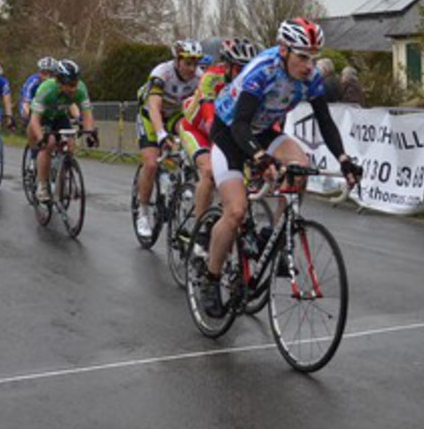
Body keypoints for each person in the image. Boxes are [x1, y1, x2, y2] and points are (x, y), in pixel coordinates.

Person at [198, 18, 361, 317]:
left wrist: (344, 159)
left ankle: (274, 236)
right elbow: (240, 125)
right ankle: (210, 278)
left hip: (262, 131)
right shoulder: (262, 71)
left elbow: (325, 122)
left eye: (313, 57)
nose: (309, 66)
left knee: (300, 167)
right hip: (230, 132)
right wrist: (260, 157)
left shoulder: (310, 78)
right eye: (303, 57)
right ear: (284, 50)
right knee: (235, 211)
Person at [179, 37, 260, 227]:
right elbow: (209, 117)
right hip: (196, 129)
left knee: (243, 178)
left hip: (223, 132)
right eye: (239, 68)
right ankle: (200, 229)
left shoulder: (253, 83)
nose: (245, 74)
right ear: (227, 66)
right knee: (209, 171)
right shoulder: (211, 77)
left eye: (248, 68)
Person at [134, 40, 203, 241]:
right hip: (150, 115)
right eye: (187, 63)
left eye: (195, 63)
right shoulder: (161, 74)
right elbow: (154, 107)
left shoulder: (199, 78)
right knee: (151, 163)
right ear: (177, 60)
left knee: (188, 135)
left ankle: (182, 176)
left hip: (174, 115)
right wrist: (161, 134)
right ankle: (143, 212)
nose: (192, 69)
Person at [26, 59, 98, 202]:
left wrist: (89, 133)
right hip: (44, 117)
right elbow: (34, 120)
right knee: (49, 143)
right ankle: (42, 186)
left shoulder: (81, 88)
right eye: (70, 85)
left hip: (60, 116)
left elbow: (87, 113)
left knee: (70, 144)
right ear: (59, 83)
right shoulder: (46, 89)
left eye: (75, 83)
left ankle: (62, 176)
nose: (73, 89)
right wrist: (40, 139)